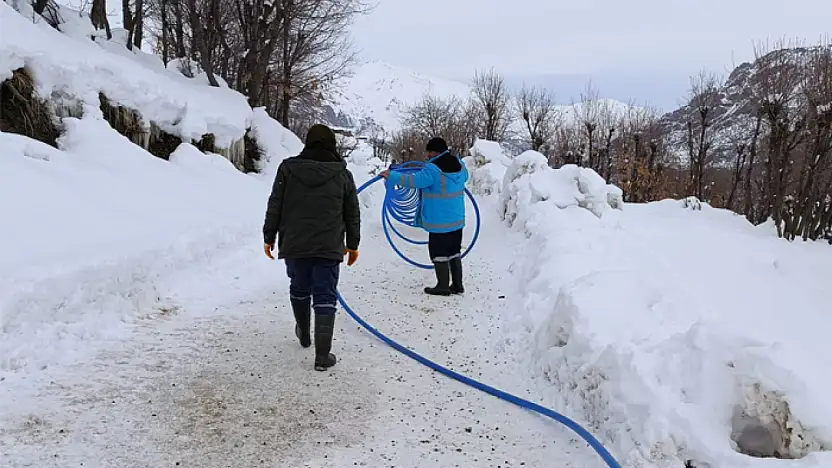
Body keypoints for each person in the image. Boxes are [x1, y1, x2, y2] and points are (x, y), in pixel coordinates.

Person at [262, 124, 361, 371]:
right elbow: (352, 213)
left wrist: (268, 236)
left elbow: (276, 204)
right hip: (328, 245)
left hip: (295, 243)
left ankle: (304, 333)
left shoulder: (288, 169)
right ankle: (322, 356)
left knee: (299, 287)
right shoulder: (342, 174)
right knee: (325, 294)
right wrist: (353, 245)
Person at [381, 137, 468, 296]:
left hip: (439, 220)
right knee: (454, 250)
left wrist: (392, 176)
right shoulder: (460, 164)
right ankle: (457, 284)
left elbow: (414, 181)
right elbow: (465, 178)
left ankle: (442, 286)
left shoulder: (433, 169)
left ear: (434, 151)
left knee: (438, 252)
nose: (427, 155)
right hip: (457, 218)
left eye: (429, 151)